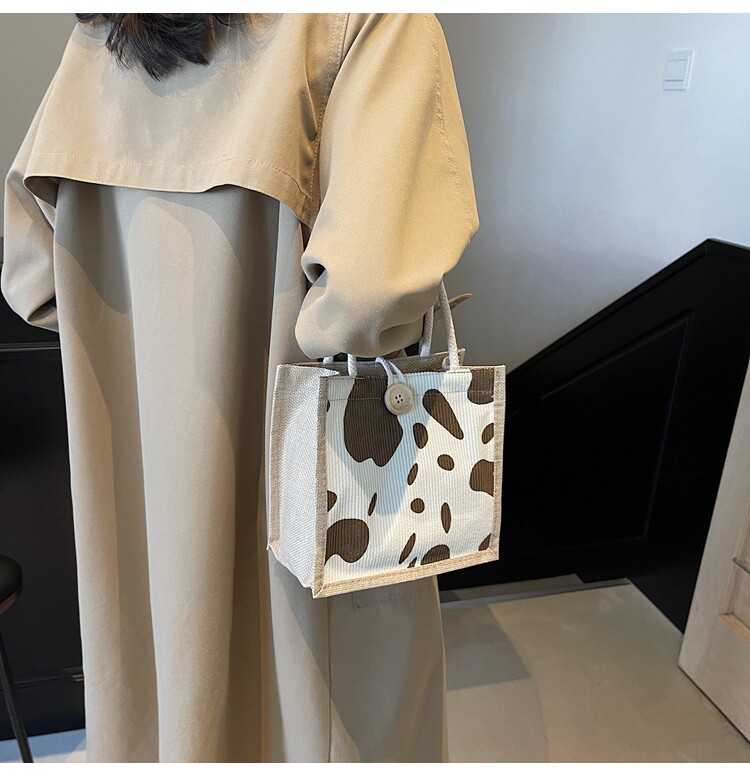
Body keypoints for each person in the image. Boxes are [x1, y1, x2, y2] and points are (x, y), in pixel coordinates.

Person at [1, 12, 480, 763]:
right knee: (315, 710)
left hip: (138, 478)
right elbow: (371, 292)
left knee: (167, 698)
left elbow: (32, 276)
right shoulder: (368, 19)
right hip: (308, 480)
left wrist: (136, 342)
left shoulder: (106, 34)